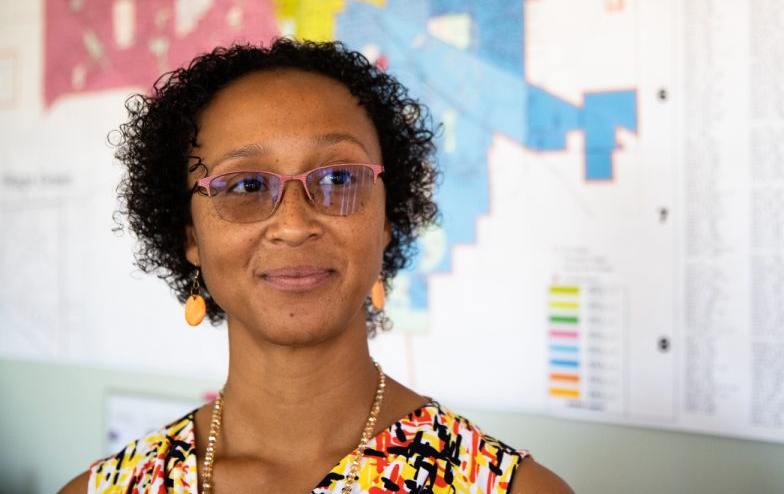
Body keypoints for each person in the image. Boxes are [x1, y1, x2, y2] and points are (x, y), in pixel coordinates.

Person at [60, 39, 572, 493]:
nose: (294, 224)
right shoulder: (107, 488)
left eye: (339, 179)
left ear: (386, 223)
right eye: (247, 186)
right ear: (191, 236)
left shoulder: (510, 488)